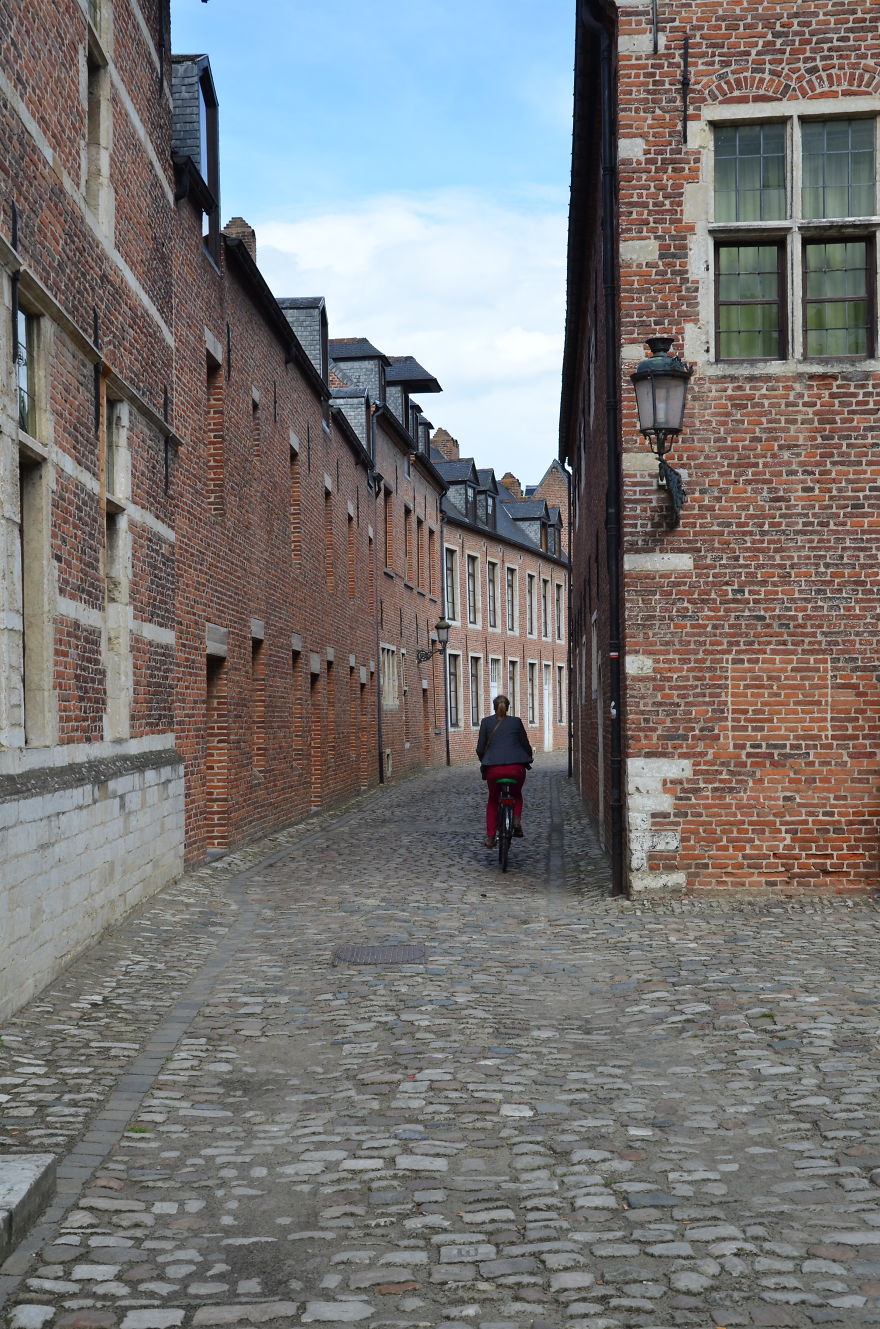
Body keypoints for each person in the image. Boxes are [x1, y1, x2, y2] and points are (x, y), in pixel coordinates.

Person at [476, 694, 533, 849]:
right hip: (516, 769)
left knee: (493, 800)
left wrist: (485, 761)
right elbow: (525, 745)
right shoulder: (516, 722)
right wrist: (529, 757)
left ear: (494, 707)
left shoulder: (486, 722)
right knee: (516, 795)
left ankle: (490, 836)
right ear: (508, 708)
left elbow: (480, 748)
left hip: (493, 770)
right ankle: (516, 821)